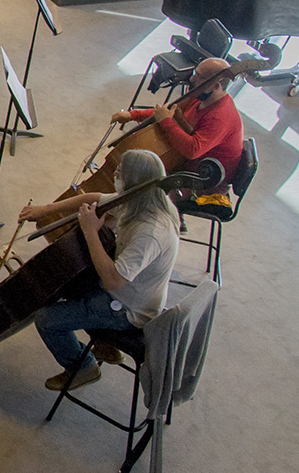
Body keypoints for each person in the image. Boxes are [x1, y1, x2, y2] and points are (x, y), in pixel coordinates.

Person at [20, 149, 180, 392]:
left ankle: (83, 367)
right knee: (69, 279)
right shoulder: (142, 198)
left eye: (121, 173)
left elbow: (114, 280)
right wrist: (46, 210)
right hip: (127, 292)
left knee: (46, 319)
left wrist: (90, 232)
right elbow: (93, 198)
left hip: (128, 309)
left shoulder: (151, 232)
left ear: (135, 184)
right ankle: (105, 343)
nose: (116, 175)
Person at [112, 57, 244, 230]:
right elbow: (168, 111)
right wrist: (133, 115)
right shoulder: (201, 95)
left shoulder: (221, 117)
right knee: (137, 171)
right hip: (188, 166)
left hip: (203, 182)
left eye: (199, 76)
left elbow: (192, 150)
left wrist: (167, 122)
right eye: (195, 73)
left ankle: (138, 227)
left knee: (140, 183)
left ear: (216, 86)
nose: (192, 79)